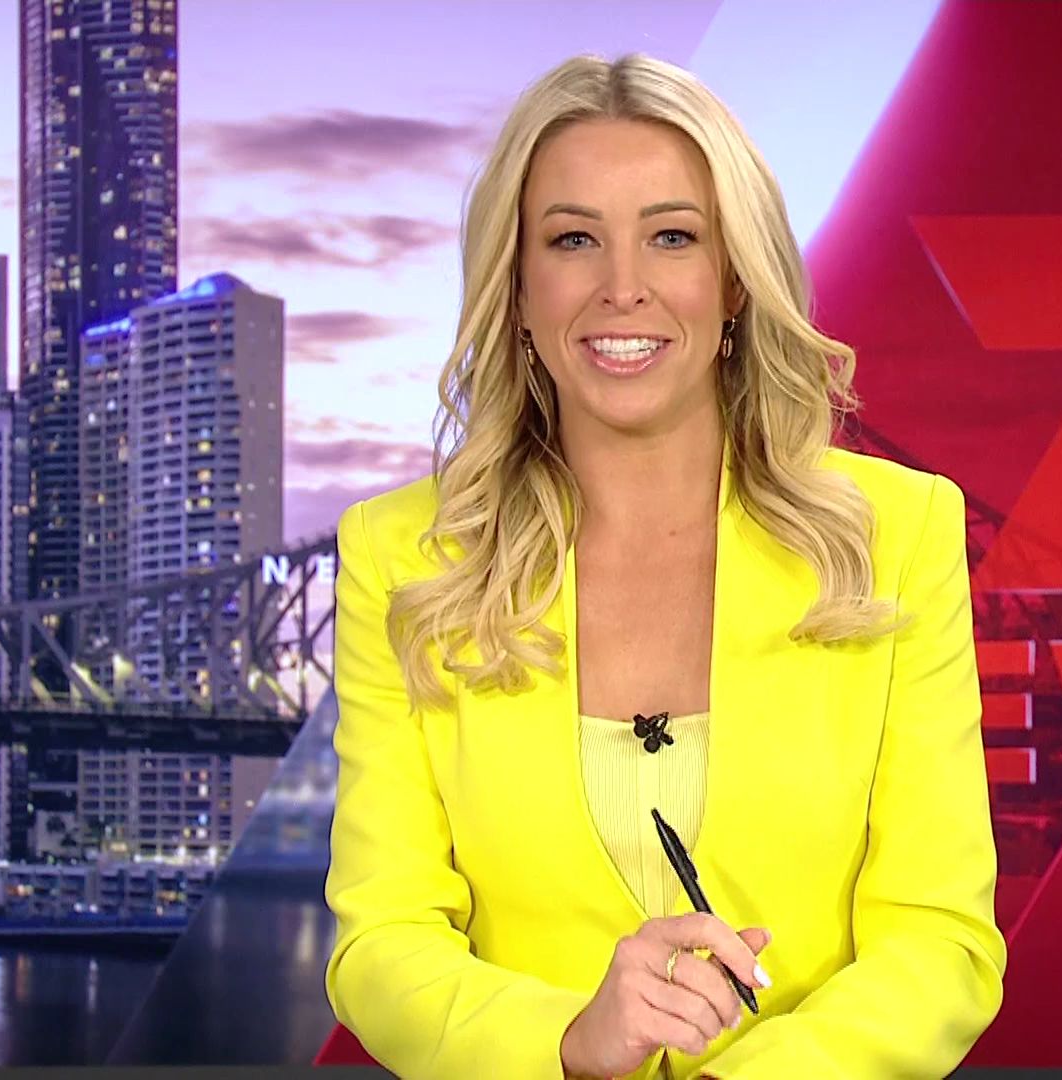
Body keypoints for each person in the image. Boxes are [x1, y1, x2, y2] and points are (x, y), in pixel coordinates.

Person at [324, 52, 1006, 1080]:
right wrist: (571, 1044)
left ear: (733, 280)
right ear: (516, 286)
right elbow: (381, 943)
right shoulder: (404, 559)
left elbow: (940, 942)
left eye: (672, 236)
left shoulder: (896, 535)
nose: (623, 288)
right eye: (573, 240)